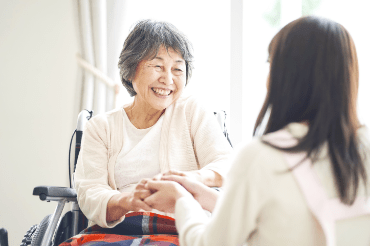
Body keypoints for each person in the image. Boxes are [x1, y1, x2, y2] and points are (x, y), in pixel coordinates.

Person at [143, 16, 370, 246]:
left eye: (271, 64)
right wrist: (202, 197)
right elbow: (284, 217)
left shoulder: (261, 157)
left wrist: (182, 201)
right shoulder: (364, 147)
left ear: (284, 76)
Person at [74, 19, 232, 228]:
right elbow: (90, 193)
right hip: (121, 230)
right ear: (131, 71)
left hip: (182, 228)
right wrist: (129, 201)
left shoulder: (191, 110)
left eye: (177, 69)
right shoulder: (100, 128)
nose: (168, 79)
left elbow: (228, 165)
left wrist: (191, 178)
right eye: (157, 66)